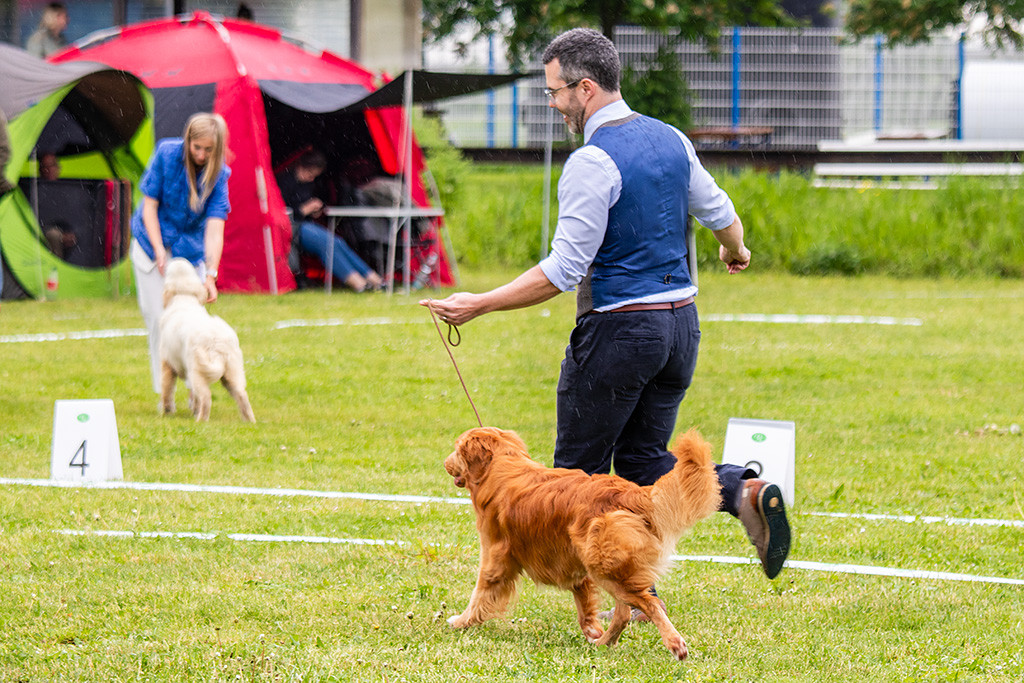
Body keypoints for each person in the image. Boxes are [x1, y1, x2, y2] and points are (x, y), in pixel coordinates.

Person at [422, 28, 791, 604]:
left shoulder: (592, 161)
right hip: (679, 329)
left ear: (585, 89)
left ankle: (591, 602)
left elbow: (564, 269)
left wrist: (479, 302)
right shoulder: (671, 139)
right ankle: (742, 491)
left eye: (554, 93)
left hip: (620, 331)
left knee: (573, 475)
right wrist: (734, 251)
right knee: (644, 460)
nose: (553, 105)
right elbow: (722, 214)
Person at [131, 113, 231, 393]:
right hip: (150, 245)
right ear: (187, 141)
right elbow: (149, 205)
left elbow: (214, 229)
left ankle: (195, 389)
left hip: (189, 254)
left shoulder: (220, 175)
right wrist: (159, 250)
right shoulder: (166, 153)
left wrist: (211, 275)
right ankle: (163, 393)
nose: (200, 154)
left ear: (217, 148)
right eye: (195, 147)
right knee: (159, 320)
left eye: (207, 150)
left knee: (191, 323)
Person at [276, 150, 383, 292]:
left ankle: (374, 279)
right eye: (310, 174)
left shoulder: (307, 184)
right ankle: (358, 283)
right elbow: (282, 211)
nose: (311, 179)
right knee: (327, 244)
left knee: (338, 242)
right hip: (291, 227)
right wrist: (303, 210)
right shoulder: (283, 182)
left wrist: (314, 211)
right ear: (302, 167)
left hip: (304, 224)